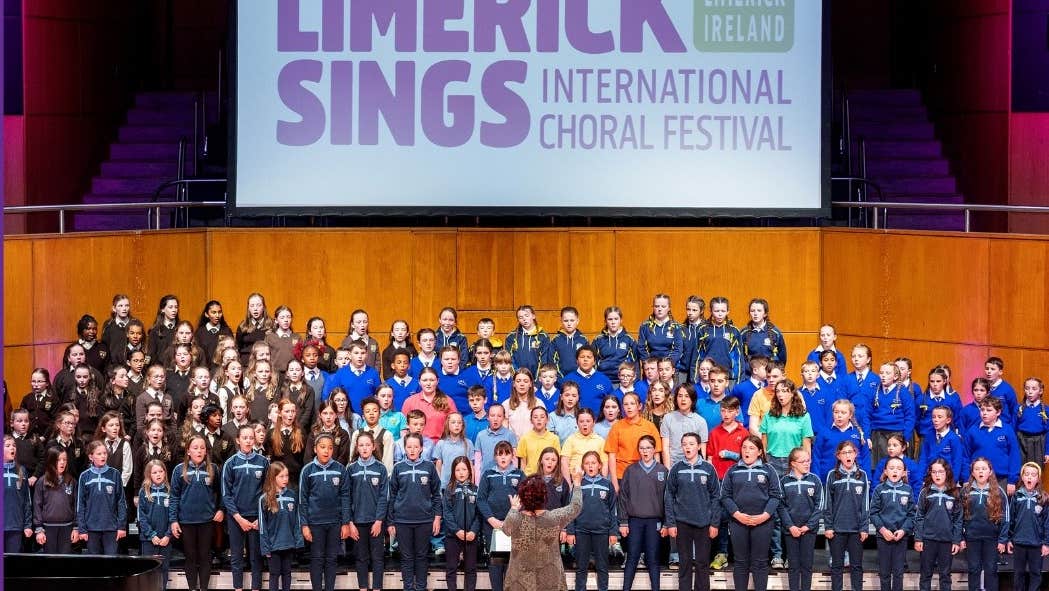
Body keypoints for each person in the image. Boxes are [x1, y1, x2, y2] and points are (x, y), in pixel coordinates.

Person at [502, 470, 584, 591]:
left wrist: (514, 508)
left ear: (522, 497)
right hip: (550, 581)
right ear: (544, 496)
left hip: (519, 581)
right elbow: (576, 506)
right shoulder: (554, 518)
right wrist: (577, 482)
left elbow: (506, 530)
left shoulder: (515, 518)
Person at [720, 435, 782, 591]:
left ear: (760, 452)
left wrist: (763, 517)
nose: (747, 451)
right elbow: (725, 496)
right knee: (740, 562)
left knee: (760, 562)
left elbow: (776, 496)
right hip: (738, 522)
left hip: (763, 523)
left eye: (752, 448)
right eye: (744, 447)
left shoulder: (768, 470)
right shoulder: (733, 470)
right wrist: (738, 515)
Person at [665, 432, 720, 591]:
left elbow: (716, 497)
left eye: (691, 444)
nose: (687, 447)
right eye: (684, 444)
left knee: (702, 563)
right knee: (685, 563)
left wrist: (714, 523)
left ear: (698, 446)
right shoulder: (676, 468)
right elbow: (669, 496)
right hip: (682, 523)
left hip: (704, 523)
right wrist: (671, 523)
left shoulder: (708, 468)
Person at [387, 433, 443, 591]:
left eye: (415, 447)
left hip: (424, 521)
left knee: (421, 557)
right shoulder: (398, 468)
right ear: (404, 448)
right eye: (409, 447)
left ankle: (421, 588)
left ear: (421, 448)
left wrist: (437, 518)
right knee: (406, 558)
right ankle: (408, 588)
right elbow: (391, 497)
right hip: (402, 521)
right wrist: (390, 521)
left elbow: (437, 495)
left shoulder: (429, 467)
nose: (412, 450)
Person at [170, 435, 224, 591]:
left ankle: (204, 588)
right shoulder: (179, 470)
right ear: (188, 451)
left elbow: (221, 493)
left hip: (207, 521)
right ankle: (192, 588)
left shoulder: (213, 468)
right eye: (195, 448)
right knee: (191, 558)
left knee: (205, 557)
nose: (199, 451)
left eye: (202, 448)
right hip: (186, 522)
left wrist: (221, 509)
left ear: (206, 451)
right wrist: (173, 520)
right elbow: (173, 497)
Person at [298, 433, 351, 591]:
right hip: (315, 524)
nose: (326, 451)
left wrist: (345, 523)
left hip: (335, 523)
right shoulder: (307, 470)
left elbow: (346, 497)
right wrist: (304, 525)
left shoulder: (340, 469)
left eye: (329, 448)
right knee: (317, 559)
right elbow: (303, 500)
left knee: (332, 559)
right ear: (315, 449)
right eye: (322, 447)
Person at [222, 425, 270, 591]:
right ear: (238, 440)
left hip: (256, 518)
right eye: (245, 438)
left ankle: (256, 588)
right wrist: (238, 517)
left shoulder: (263, 462)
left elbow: (268, 492)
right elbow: (226, 495)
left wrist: (259, 518)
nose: (249, 441)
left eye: (251, 438)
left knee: (256, 557)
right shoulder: (230, 463)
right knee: (236, 557)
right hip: (236, 518)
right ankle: (238, 588)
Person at [477, 440, 525, 591]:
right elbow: (481, 499)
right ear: (495, 457)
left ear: (512, 456)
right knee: (497, 563)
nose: (503, 457)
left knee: (512, 563)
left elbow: (525, 499)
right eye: (499, 454)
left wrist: (514, 513)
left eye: (506, 454)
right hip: (494, 527)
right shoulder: (488, 474)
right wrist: (492, 520)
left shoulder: (519, 474)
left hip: (514, 526)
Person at [567, 451, 617, 591]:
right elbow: (571, 510)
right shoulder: (578, 484)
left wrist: (613, 532)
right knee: (581, 568)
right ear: (583, 466)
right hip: (581, 531)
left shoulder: (607, 484)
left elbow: (613, 510)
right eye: (587, 463)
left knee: (602, 567)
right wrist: (571, 531)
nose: (590, 466)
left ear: (599, 465)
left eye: (593, 463)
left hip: (602, 532)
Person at [824, 439, 870, 591]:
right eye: (844, 453)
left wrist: (864, 528)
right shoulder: (832, 475)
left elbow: (865, 505)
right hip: (837, 529)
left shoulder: (862, 475)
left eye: (850, 452)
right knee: (837, 566)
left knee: (856, 566)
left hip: (856, 530)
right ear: (838, 456)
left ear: (856, 454)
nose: (847, 455)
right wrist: (829, 526)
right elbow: (828, 504)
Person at [347, 431, 389, 591]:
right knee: (361, 558)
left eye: (367, 445)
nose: (364, 448)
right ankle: (363, 588)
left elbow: (383, 498)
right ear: (357, 448)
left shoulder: (381, 469)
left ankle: (377, 588)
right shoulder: (351, 469)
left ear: (373, 446)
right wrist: (350, 522)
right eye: (361, 445)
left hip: (376, 522)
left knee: (378, 558)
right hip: (357, 523)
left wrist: (379, 521)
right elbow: (347, 498)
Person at [778, 447, 823, 591]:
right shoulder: (784, 481)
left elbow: (819, 505)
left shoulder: (814, 480)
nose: (806, 463)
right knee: (793, 565)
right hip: (790, 530)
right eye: (802, 461)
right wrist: (790, 526)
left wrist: (808, 526)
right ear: (793, 463)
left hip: (808, 531)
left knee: (807, 565)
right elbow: (780, 506)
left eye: (808, 460)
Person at [914, 459, 963, 591]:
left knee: (945, 575)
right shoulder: (925, 492)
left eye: (940, 471)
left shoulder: (955, 493)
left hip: (946, 541)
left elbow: (958, 519)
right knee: (925, 574)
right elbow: (919, 517)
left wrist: (956, 541)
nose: (937, 475)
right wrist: (918, 538)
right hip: (928, 540)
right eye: (934, 472)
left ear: (947, 473)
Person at [961, 458, 1009, 591]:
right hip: (972, 538)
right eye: (977, 469)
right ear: (972, 473)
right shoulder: (966, 491)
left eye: (983, 469)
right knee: (973, 569)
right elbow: (959, 516)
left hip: (992, 539)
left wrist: (1003, 539)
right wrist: (960, 538)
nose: (980, 471)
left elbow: (1006, 517)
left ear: (990, 472)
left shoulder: (999, 492)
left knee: (991, 569)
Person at [870, 456, 915, 591]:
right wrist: (883, 530)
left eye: (899, 468)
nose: (895, 471)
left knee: (898, 573)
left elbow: (912, 515)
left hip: (901, 537)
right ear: (885, 471)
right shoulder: (879, 489)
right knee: (884, 573)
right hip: (883, 537)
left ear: (904, 472)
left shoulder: (908, 490)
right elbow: (873, 513)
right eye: (891, 468)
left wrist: (903, 530)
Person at [76, 440, 128, 555]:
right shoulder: (84, 476)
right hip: (91, 528)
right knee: (95, 565)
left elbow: (121, 502)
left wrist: (122, 526)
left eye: (104, 453)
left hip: (111, 528)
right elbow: (80, 504)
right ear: (91, 456)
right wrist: (82, 528)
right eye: (99, 454)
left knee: (111, 562)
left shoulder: (115, 474)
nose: (103, 456)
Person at [259, 462, 304, 591]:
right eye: (281, 476)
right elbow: (262, 526)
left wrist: (298, 541)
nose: (285, 479)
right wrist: (266, 547)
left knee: (287, 573)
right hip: (273, 546)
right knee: (274, 574)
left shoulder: (292, 496)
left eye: (287, 476)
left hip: (288, 543)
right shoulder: (264, 499)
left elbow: (297, 520)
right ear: (273, 478)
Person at [1007, 462, 1049, 591]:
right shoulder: (1016, 496)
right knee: (1018, 573)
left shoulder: (1043, 498)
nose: (1030, 477)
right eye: (1027, 474)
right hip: (1019, 542)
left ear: (1038, 478)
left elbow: (1047, 522)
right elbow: (1011, 519)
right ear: (1022, 477)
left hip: (1036, 543)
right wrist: (1009, 539)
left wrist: (1046, 543)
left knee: (1035, 573)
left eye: (1033, 475)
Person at [443, 456, 481, 591]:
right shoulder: (449, 490)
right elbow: (447, 513)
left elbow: (478, 514)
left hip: (471, 536)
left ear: (469, 471)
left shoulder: (476, 490)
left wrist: (473, 531)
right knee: (451, 568)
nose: (461, 472)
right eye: (458, 470)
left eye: (464, 469)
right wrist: (457, 531)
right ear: (453, 472)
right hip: (453, 536)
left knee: (470, 569)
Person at [32, 448, 78, 554]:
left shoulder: (71, 481)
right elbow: (37, 506)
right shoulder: (42, 482)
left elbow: (76, 505)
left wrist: (76, 527)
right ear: (51, 461)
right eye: (58, 460)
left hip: (67, 528)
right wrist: (39, 529)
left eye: (64, 459)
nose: (62, 462)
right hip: (48, 529)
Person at [138, 459, 174, 590]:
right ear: (149, 475)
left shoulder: (170, 491)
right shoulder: (144, 492)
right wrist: (151, 535)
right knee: (149, 570)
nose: (158, 474)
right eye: (154, 472)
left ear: (165, 473)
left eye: (161, 471)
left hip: (165, 540)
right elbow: (141, 517)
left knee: (164, 569)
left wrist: (168, 535)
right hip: (149, 540)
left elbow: (173, 516)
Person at [592, 306, 638, 384]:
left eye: (616, 319)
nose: (613, 322)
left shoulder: (629, 339)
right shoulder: (598, 340)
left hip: (623, 381)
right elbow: (592, 363)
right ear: (605, 321)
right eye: (610, 319)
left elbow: (635, 364)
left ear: (621, 320)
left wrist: (635, 382)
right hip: (602, 380)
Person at [3, 434, 33, 552]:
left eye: (14, 445)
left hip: (16, 526)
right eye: (8, 445)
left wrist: (27, 525)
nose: (12, 448)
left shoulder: (21, 471)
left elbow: (27, 501)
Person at [739, 298, 786, 366]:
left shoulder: (775, 333)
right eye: (752, 311)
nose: (755, 313)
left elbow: (782, 357)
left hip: (769, 374)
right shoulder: (743, 333)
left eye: (759, 311)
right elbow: (741, 356)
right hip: (750, 373)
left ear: (765, 314)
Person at [551, 306, 588, 378]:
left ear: (577, 321)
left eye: (572, 320)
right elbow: (552, 362)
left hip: (580, 379)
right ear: (561, 321)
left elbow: (587, 361)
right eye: (566, 321)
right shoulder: (555, 340)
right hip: (561, 380)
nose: (569, 324)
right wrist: (560, 379)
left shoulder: (584, 340)